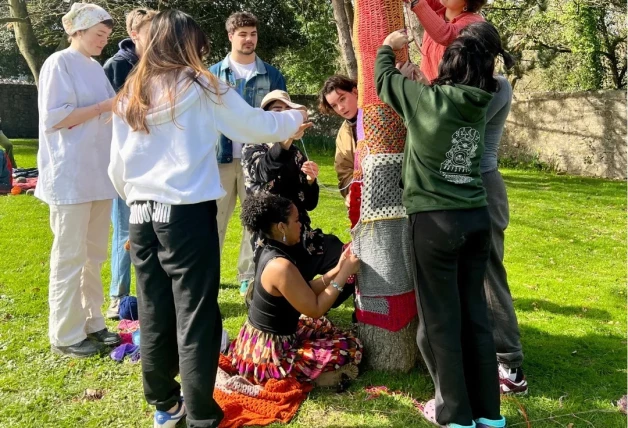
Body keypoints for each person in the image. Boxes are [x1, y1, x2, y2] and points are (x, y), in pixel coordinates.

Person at [109, 10, 305, 428]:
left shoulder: (131, 91)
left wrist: (137, 201)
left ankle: (165, 402)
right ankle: (200, 413)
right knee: (196, 311)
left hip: (142, 213)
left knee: (153, 306)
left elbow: (116, 168)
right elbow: (251, 125)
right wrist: (294, 118)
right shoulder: (201, 85)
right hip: (185, 213)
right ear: (183, 44)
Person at [376, 27, 511, 428]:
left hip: (434, 222)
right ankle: (488, 413)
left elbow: (384, 79)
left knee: (440, 321)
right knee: (475, 316)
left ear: (449, 64)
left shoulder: (427, 101)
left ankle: (455, 415)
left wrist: (387, 48)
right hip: (475, 218)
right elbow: (434, 99)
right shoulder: (484, 99)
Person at [36, 3, 120, 359]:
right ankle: (66, 333)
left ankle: (93, 321)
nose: (103, 41)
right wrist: (106, 107)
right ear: (78, 32)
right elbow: (55, 118)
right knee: (70, 256)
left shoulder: (95, 67)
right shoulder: (59, 62)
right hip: (69, 177)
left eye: (106, 36)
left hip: (98, 177)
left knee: (93, 256)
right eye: (99, 34)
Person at [230, 193, 363, 386]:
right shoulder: (280, 266)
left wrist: (338, 268)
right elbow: (315, 309)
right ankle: (309, 377)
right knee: (351, 347)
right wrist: (345, 274)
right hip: (270, 355)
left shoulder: (272, 250)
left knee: (323, 327)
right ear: (281, 227)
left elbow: (304, 289)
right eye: (296, 220)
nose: (301, 225)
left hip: (262, 341)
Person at [459, 22, 527, 395]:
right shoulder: (478, 85)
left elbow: (459, 123)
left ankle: (511, 364)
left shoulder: (496, 88)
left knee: (489, 275)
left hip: (483, 186)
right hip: (465, 187)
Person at [242, 90, 355, 307]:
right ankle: (283, 302)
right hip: (272, 240)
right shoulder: (253, 147)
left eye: (287, 111)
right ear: (265, 117)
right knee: (280, 298)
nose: (284, 116)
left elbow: (309, 203)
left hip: (302, 235)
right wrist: (285, 142)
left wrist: (310, 181)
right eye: (277, 111)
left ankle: (312, 305)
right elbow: (264, 171)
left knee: (346, 259)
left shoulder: (296, 153)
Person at [209, 12, 287, 297]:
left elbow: (281, 116)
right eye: (242, 34)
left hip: (258, 161)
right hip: (219, 158)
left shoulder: (272, 75)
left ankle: (249, 276)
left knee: (254, 221)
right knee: (212, 220)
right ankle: (208, 274)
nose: (248, 39)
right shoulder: (211, 74)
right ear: (230, 36)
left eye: (253, 33)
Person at [103, 7, 157, 319]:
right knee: (126, 230)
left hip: (154, 164)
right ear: (135, 34)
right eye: (151, 31)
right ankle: (118, 296)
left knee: (150, 231)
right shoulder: (116, 66)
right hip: (124, 162)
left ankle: (147, 296)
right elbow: (109, 116)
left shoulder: (159, 65)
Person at [405, 0, 486, 82]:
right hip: (425, 87)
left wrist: (416, 2)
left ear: (468, 3)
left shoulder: (474, 23)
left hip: (446, 92)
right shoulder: (441, 8)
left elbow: (446, 34)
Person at [318, 75, 359, 206]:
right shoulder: (343, 134)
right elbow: (344, 174)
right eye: (334, 105)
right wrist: (354, 191)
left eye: (342, 99)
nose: (340, 108)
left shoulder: (381, 113)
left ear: (355, 92)